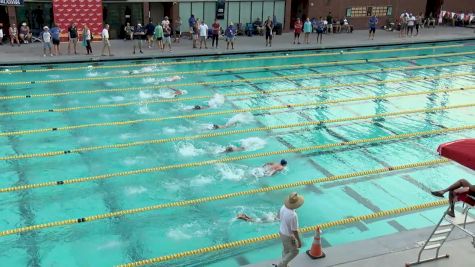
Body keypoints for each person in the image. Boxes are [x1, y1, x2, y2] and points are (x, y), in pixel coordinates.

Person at [272, 192, 304, 267]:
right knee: (295, 251)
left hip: (281, 232)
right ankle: (281, 265)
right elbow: (294, 230)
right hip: (288, 236)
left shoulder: (283, 207)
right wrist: (299, 241)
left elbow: (279, 217)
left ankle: (284, 265)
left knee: (286, 250)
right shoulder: (293, 215)